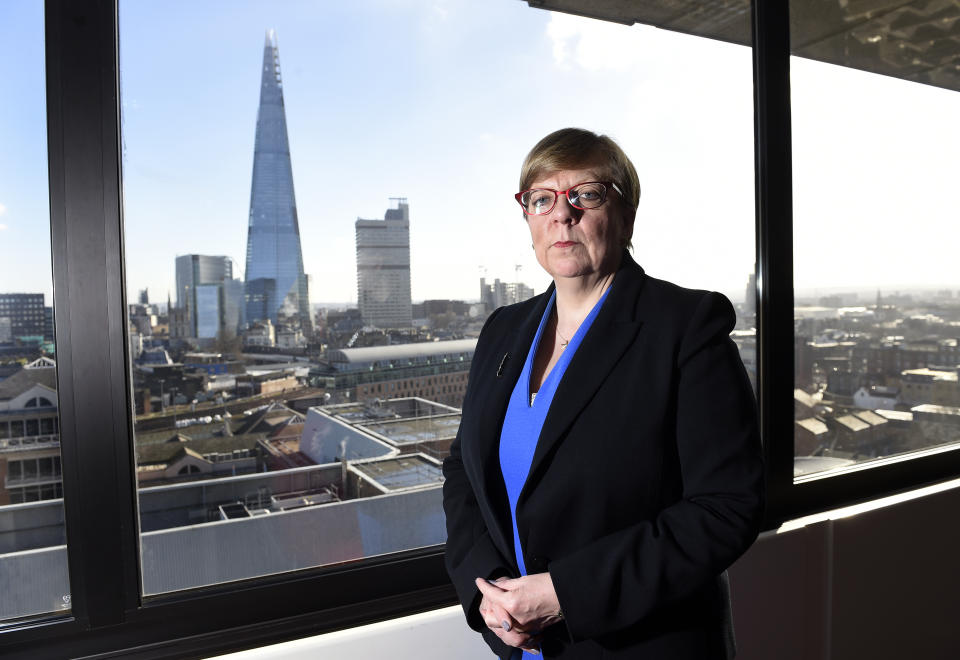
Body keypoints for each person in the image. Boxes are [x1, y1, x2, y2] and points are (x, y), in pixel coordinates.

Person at [441, 127, 764, 659]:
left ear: (626, 213)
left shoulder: (684, 328)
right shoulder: (503, 329)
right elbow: (462, 469)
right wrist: (486, 590)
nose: (561, 214)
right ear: (528, 218)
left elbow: (727, 506)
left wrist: (566, 593)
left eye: (585, 194)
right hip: (522, 644)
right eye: (541, 198)